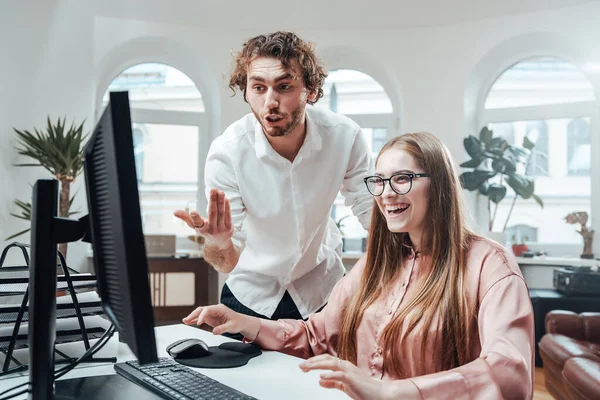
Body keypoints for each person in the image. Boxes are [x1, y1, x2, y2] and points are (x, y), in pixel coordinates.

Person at [182, 132, 535, 399]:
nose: (386, 193)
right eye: (379, 181)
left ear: (439, 185)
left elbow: (509, 371)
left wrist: (390, 393)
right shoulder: (376, 264)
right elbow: (316, 336)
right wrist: (246, 323)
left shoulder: (491, 265)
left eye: (402, 178)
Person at [174, 32, 373, 329]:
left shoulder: (346, 137)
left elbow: (374, 214)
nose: (270, 102)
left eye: (284, 86)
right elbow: (227, 262)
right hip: (249, 298)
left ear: (311, 90)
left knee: (328, 376)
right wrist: (219, 243)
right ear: (245, 92)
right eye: (258, 87)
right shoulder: (227, 153)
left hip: (325, 292)